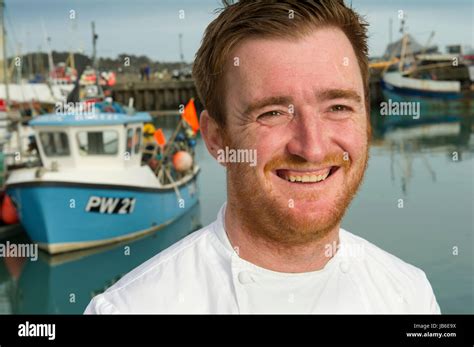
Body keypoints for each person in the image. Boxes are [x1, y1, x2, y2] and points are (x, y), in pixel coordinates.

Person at [85, 0, 440, 314]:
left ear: (366, 120)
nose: (312, 147)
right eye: (272, 113)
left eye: (338, 106)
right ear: (216, 138)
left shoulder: (410, 296)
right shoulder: (129, 309)